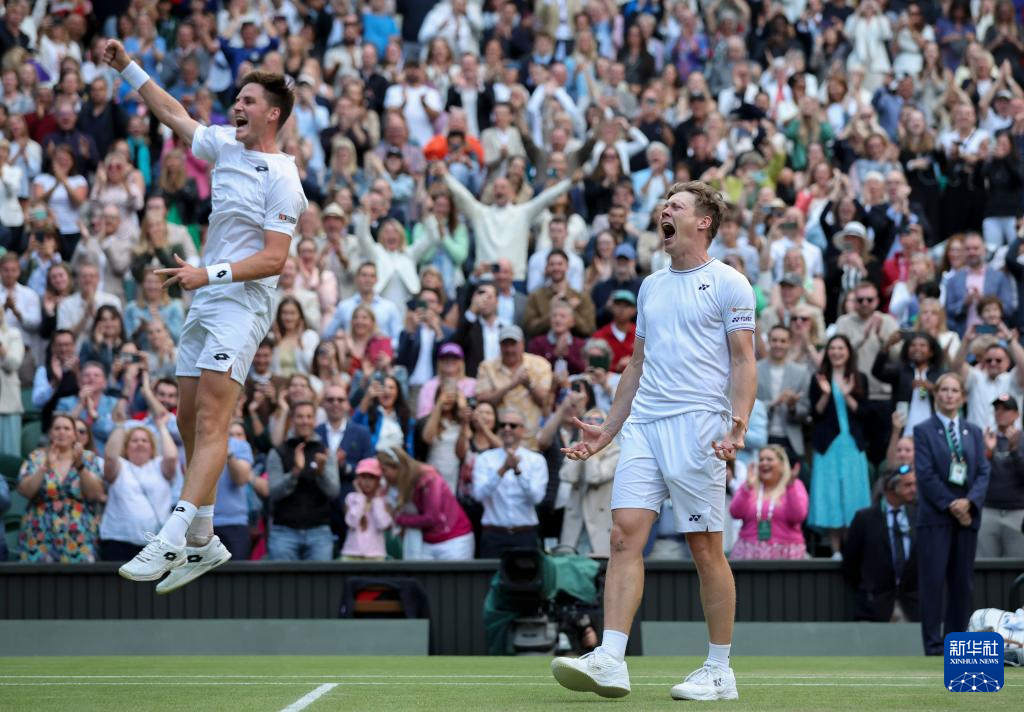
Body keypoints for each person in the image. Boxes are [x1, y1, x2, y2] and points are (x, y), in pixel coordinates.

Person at [102, 40, 308, 585]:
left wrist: (206, 274)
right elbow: (172, 112)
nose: (236, 105)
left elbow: (274, 259)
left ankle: (171, 537)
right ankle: (204, 539)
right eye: (236, 98)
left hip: (241, 301)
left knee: (215, 421)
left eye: (248, 101)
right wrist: (127, 68)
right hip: (207, 296)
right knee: (187, 419)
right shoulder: (225, 146)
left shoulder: (283, 177)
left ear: (273, 114)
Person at [551, 181, 755, 701]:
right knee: (623, 536)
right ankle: (611, 659)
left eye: (677, 206)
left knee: (704, 548)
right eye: (665, 205)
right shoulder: (650, 286)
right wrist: (608, 431)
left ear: (703, 221)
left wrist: (738, 423)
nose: (665, 210)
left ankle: (719, 670)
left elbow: (742, 360)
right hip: (645, 423)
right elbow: (637, 364)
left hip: (699, 426)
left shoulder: (730, 283)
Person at [913, 373, 991, 655]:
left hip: (967, 519)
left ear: (962, 397)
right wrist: (952, 505)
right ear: (936, 395)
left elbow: (983, 471)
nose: (949, 395)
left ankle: (956, 644)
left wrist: (969, 503)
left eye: (954, 390)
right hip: (936, 519)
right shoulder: (923, 430)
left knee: (962, 585)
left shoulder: (974, 431)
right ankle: (934, 646)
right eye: (944, 390)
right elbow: (925, 474)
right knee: (933, 583)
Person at [808, 335, 872, 557]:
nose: (836, 352)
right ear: (827, 352)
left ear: (848, 352)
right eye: (832, 348)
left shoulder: (860, 378)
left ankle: (850, 549)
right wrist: (826, 394)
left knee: (853, 494)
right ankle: (835, 550)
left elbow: (864, 413)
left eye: (841, 348)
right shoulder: (818, 378)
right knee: (831, 494)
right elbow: (815, 414)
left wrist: (846, 395)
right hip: (828, 446)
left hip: (852, 444)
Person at [16, 414, 105, 562]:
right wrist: (44, 467)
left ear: (74, 434)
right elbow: (25, 491)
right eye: (57, 428)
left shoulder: (88, 458)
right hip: (40, 532)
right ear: (50, 433)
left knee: (79, 576)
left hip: (79, 533)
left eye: (67, 428)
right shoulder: (36, 457)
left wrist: (80, 466)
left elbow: (95, 493)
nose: (62, 432)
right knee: (38, 576)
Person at [842, 466, 920, 622]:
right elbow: (850, 563)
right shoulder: (865, 519)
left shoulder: (919, 516)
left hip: (913, 609)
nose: (914, 489)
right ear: (890, 488)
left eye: (914, 484)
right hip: (874, 608)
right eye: (907, 485)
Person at [266, 401, 339, 561]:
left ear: (315, 420)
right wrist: (295, 472)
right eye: (300, 417)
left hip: (319, 533)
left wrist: (321, 472)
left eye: (309, 416)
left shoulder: (326, 452)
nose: (305, 421)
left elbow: (334, 491)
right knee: (281, 578)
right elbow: (274, 492)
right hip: (284, 533)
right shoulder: (277, 452)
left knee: (320, 578)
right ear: (292, 419)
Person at [471, 406, 549, 558]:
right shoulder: (485, 459)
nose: (507, 429)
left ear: (522, 430)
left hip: (525, 534)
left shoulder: (536, 460)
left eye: (512, 425)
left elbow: (537, 498)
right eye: (503, 425)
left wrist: (517, 471)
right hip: (493, 534)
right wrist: (502, 470)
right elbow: (478, 495)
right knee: (490, 574)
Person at [378, 444, 475, 560]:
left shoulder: (428, 478)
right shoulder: (398, 485)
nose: (382, 475)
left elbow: (432, 517)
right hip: (427, 541)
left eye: (384, 470)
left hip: (454, 539)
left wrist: (398, 518)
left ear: (397, 467)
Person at [100, 418, 178, 562]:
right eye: (134, 440)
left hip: (157, 544)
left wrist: (161, 427)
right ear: (126, 447)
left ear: (152, 447)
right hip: (119, 541)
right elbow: (110, 457)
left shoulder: (159, 465)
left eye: (144, 440)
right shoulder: (120, 466)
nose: (140, 443)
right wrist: (120, 425)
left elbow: (172, 457)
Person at [729, 446, 809, 560]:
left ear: (782, 464)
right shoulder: (750, 486)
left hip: (786, 553)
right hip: (749, 552)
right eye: (761, 459)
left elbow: (798, 516)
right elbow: (735, 513)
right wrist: (747, 487)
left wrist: (790, 487)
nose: (764, 463)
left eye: (769, 459)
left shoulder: (794, 485)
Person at [559, 408, 618, 558]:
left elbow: (594, 477)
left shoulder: (615, 452)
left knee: (599, 569)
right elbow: (567, 476)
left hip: (599, 524)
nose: (592, 423)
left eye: (598, 420)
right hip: (575, 525)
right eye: (587, 420)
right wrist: (583, 446)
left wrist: (592, 450)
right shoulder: (575, 445)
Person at [978, 393, 1024, 557]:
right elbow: (978, 476)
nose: (1000, 412)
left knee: (1017, 566)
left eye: (1006, 409)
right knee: (985, 566)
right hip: (989, 510)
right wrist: (989, 453)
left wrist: (1014, 451)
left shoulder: (1022, 439)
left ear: (1017, 414)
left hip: (1017, 512)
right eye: (997, 409)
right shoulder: (986, 439)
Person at [341, 457, 393, 561]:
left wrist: (377, 499)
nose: (367, 481)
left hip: (376, 555)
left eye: (371, 477)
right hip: (351, 554)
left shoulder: (383, 501)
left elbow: (382, 524)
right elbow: (351, 522)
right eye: (363, 477)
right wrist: (360, 497)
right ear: (357, 479)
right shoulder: (351, 498)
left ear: (379, 480)